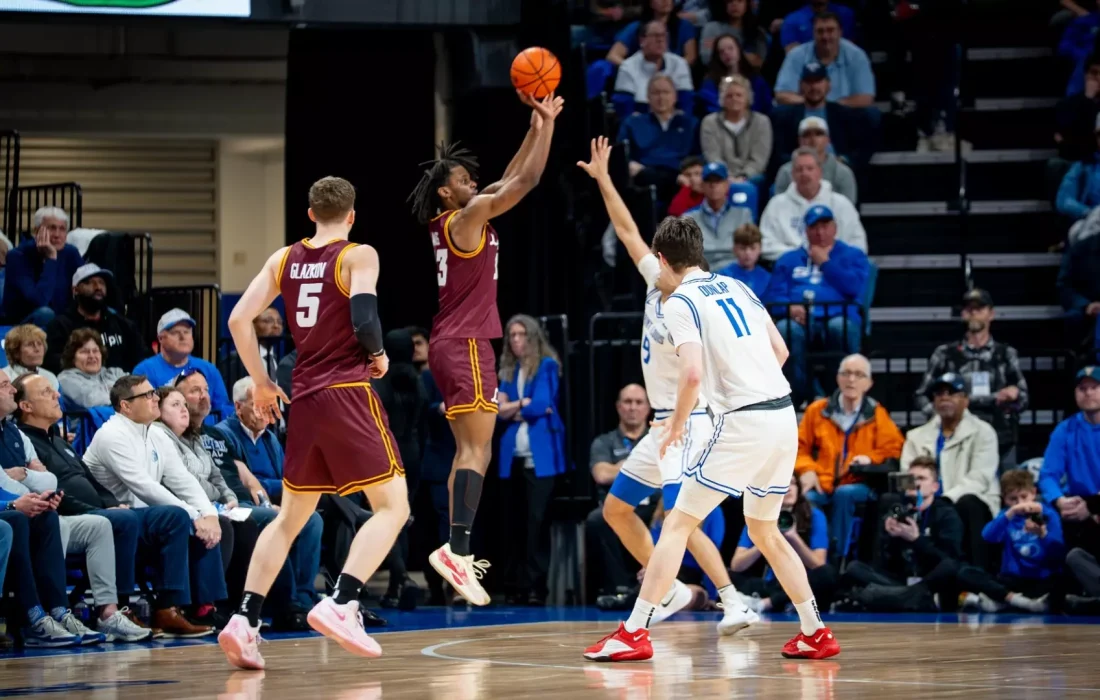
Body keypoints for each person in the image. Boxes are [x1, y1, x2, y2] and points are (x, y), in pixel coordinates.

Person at [582, 203, 840, 662]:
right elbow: (779, 351)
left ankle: (633, 631)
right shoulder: (739, 286)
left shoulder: (681, 299)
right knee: (764, 530)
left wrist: (678, 423)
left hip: (743, 421)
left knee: (677, 522)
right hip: (783, 415)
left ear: (662, 259)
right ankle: (815, 630)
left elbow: (694, 375)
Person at [217, 176, 409, 670]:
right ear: (350, 215)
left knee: (288, 519)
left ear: (309, 214)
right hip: (346, 392)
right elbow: (365, 316)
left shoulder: (283, 259)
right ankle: (343, 602)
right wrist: (380, 354)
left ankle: (243, 620)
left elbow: (239, 318)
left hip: (302, 397)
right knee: (393, 508)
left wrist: (260, 380)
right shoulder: (357, 254)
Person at [578, 136, 759, 640]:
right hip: (661, 425)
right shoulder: (657, 280)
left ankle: (732, 599)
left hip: (688, 421)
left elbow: (704, 368)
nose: (650, 262)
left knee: (683, 518)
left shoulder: (694, 302)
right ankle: (676, 590)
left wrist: (685, 419)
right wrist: (603, 179)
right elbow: (627, 229)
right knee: (616, 509)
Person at [406, 91, 564, 606]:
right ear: (447, 194)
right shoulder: (465, 219)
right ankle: (457, 551)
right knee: (478, 448)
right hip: (469, 344)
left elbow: (511, 174)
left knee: (467, 449)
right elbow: (529, 181)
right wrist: (549, 130)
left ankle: (457, 549)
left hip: (452, 344)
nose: (474, 181)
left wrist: (538, 126)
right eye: (464, 179)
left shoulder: (457, 218)